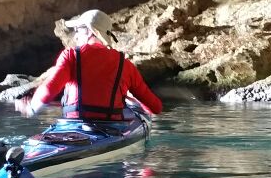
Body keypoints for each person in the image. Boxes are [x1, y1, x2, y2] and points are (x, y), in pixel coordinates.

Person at [17, 10, 163, 120]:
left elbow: (50, 89)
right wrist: (134, 101)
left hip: (74, 127)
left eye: (78, 30)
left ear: (90, 31)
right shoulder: (125, 65)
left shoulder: (70, 56)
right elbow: (155, 107)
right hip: (112, 130)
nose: (75, 35)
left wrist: (31, 108)